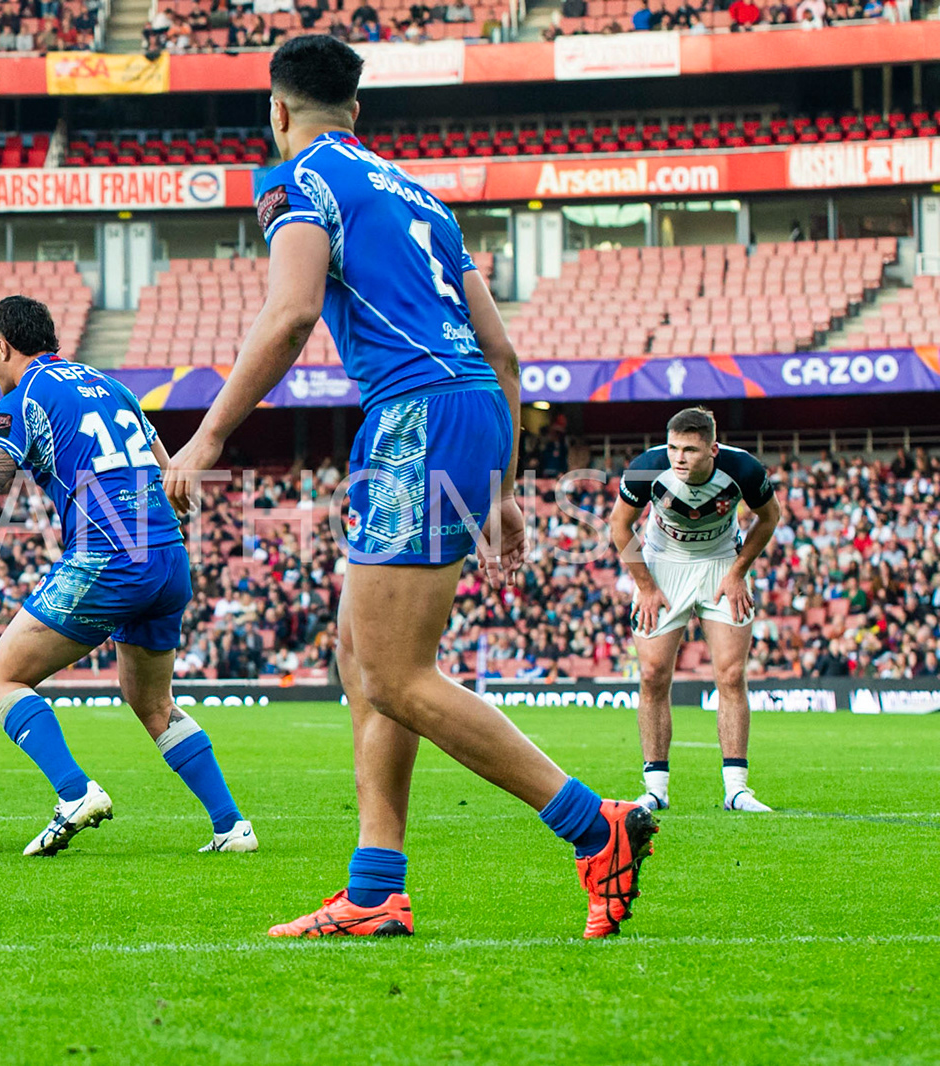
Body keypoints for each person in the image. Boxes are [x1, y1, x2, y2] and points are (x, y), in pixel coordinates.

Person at [162, 36, 655, 940]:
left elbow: (293, 311)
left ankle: (595, 825)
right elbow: (504, 351)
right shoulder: (420, 196)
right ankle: (376, 887)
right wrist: (502, 487)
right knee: (362, 656)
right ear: (359, 109)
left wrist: (207, 438)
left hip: (414, 416)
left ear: (279, 112)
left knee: (393, 671)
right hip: (468, 412)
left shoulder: (295, 180)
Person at [0, 295, 256, 857]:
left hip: (109, 554)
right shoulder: (112, 387)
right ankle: (231, 826)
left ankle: (74, 793)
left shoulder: (24, 394)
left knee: (0, 677)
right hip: (168, 556)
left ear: (4, 345)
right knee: (151, 702)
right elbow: (173, 475)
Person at [609, 407, 781, 813]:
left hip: (722, 562)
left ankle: (737, 789)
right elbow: (620, 526)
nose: (679, 458)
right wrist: (646, 586)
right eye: (673, 448)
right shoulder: (647, 468)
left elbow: (769, 518)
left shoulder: (744, 469)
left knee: (732, 674)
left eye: (689, 449)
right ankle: (655, 789)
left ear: (713, 450)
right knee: (652, 674)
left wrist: (739, 572)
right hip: (664, 565)